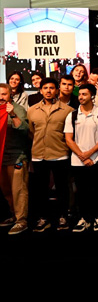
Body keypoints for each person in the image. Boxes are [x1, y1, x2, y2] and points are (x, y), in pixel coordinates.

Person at [64, 84, 98, 232]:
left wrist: (90, 153)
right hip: (78, 161)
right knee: (81, 192)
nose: (81, 97)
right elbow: (69, 139)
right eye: (80, 94)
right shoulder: (72, 115)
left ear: (92, 96)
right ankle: (83, 219)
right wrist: (82, 156)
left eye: (84, 94)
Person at [27, 78, 73, 232]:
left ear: (57, 90)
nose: (48, 91)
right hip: (39, 154)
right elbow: (31, 132)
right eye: (45, 88)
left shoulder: (68, 110)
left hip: (60, 153)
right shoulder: (32, 110)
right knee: (40, 189)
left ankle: (63, 216)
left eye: (52, 88)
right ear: (40, 90)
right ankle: (44, 218)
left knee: (62, 188)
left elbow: (70, 134)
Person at [0, 83, 29, 235]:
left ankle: (21, 221)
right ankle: (13, 215)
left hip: (16, 156)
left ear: (10, 95)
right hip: (1, 157)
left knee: (18, 191)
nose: (0, 97)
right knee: (6, 190)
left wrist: (12, 114)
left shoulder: (18, 109)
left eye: (4, 94)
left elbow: (24, 130)